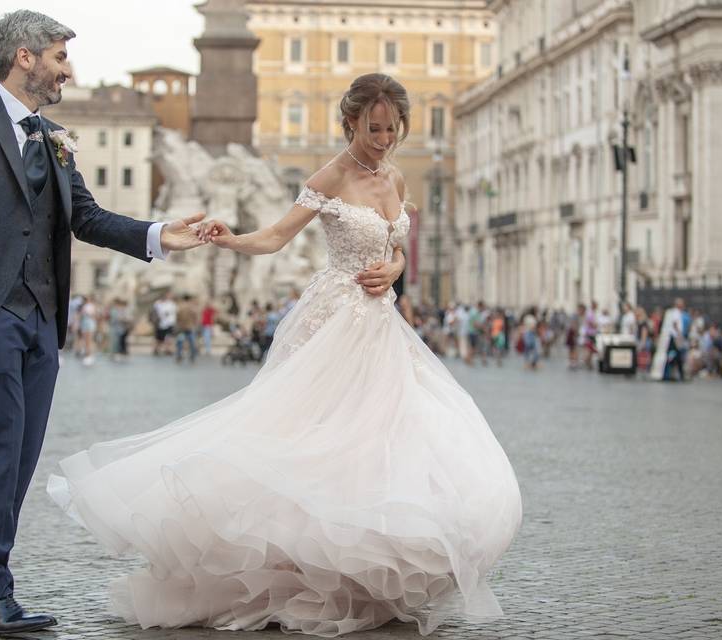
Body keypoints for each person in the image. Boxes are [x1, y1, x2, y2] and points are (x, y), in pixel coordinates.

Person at [49, 73, 521, 637]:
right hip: (334, 321)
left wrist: (396, 268)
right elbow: (276, 238)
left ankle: (363, 571)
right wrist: (226, 239)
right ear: (350, 123)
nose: (384, 139)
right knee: (316, 440)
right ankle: (306, 568)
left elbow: (395, 245)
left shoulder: (395, 174)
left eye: (392, 129)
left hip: (381, 326)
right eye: (373, 128)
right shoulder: (330, 176)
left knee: (385, 442)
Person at [0, 10, 205, 635]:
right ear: (25, 57)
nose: (68, 70)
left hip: (41, 320)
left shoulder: (57, 136)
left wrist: (160, 236)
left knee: (19, 456)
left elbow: (87, 218)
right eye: (60, 57)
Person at [174, 294, 199, 363]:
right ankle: (192, 356)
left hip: (181, 328)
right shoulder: (192, 307)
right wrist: (195, 325)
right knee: (192, 342)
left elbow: (177, 317)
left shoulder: (180, 307)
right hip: (190, 327)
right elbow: (196, 317)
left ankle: (179, 356)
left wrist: (178, 325)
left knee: (180, 342)